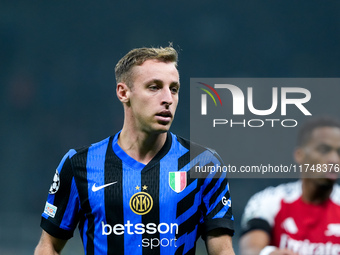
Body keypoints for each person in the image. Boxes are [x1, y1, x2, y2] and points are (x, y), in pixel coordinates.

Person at [34, 45, 235, 255]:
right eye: (154, 87)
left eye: (173, 89)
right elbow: (48, 246)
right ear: (123, 92)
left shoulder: (203, 163)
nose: (168, 98)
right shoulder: (79, 164)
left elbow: (222, 251)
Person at [239, 116, 340, 255]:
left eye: (339, 153)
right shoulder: (268, 201)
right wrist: (268, 253)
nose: (334, 160)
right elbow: (250, 249)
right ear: (300, 155)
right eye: (324, 150)